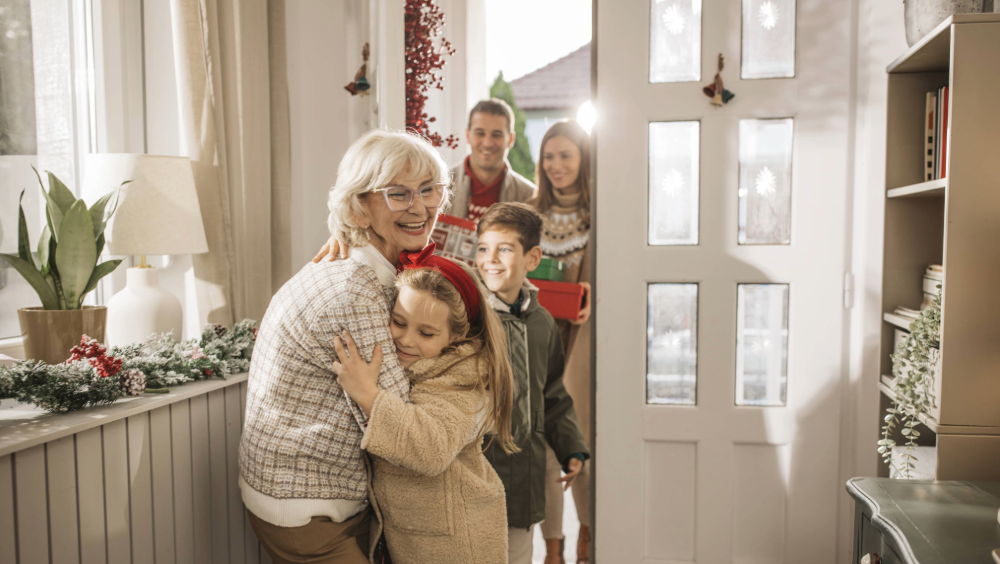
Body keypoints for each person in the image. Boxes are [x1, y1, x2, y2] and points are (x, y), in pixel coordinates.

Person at [238, 129, 451, 564]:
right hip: (309, 508)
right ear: (360, 207)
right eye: (397, 194)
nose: (420, 207)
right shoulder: (354, 290)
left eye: (429, 189)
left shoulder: (362, 265)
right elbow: (404, 428)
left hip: (299, 491)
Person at [331, 247, 517, 564]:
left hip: (459, 546)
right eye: (399, 322)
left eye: (426, 333)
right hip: (420, 540)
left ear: (457, 336)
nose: (406, 340)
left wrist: (367, 394)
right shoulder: (419, 364)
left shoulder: (460, 379)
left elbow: (431, 447)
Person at [474, 202, 590, 564]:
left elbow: (553, 393)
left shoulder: (542, 323)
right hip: (476, 481)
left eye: (504, 249)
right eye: (483, 248)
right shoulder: (467, 317)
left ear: (532, 258)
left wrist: (571, 446)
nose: (490, 259)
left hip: (523, 489)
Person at [313, 98, 535, 262]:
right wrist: (345, 236)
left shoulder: (529, 196)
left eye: (497, 134)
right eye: (480, 133)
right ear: (467, 135)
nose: (487, 142)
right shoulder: (434, 181)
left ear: (511, 139)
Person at [532, 120, 594, 564]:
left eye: (565, 156)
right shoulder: (529, 212)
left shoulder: (600, 215)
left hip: (584, 342)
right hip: (538, 339)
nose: (556, 165)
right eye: (548, 157)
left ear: (584, 159)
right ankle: (553, 546)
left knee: (580, 436)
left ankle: (589, 536)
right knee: (542, 441)